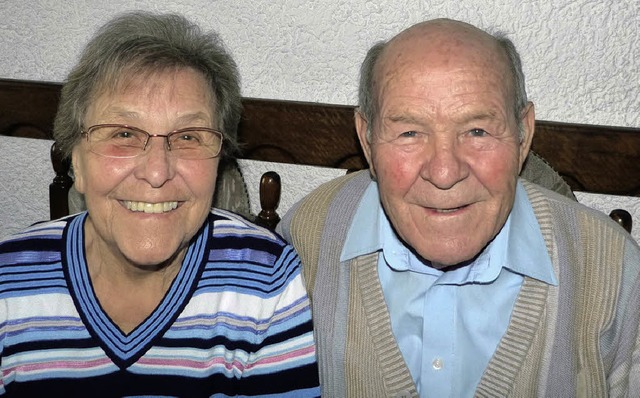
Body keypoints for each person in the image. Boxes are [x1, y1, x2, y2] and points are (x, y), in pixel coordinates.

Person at [278, 18, 640, 397]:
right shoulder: (307, 238)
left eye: (477, 131)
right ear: (368, 142)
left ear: (523, 136)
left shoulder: (614, 273)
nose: (445, 172)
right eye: (410, 133)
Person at [0, 11, 320, 397]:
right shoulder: (8, 282)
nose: (156, 172)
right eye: (123, 133)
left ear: (218, 163)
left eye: (188, 136)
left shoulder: (269, 284)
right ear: (77, 163)